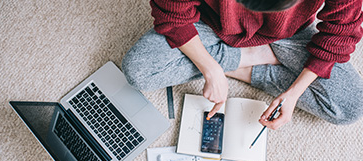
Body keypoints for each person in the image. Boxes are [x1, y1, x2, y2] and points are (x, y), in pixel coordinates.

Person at [122, 0, 363, 130]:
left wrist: (294, 93)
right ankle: (253, 56)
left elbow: (340, 35)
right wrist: (211, 69)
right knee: (138, 71)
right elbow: (172, 16)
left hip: (288, 36)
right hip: (209, 24)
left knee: (351, 106)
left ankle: (249, 57)